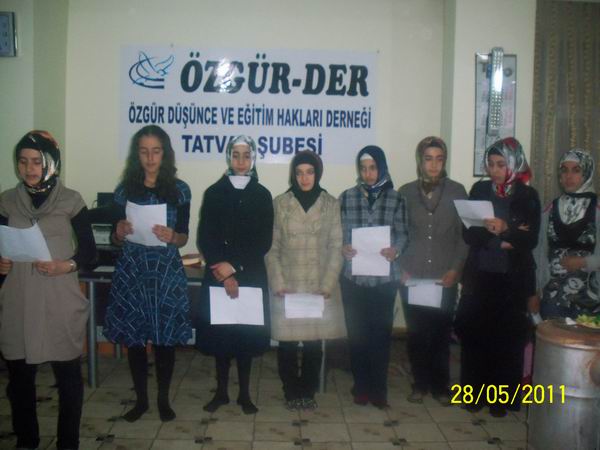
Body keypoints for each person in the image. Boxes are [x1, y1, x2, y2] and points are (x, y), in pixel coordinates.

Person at [0, 131, 96, 450]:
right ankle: (27, 440)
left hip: (59, 299)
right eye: (23, 162)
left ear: (51, 163)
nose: (29, 169)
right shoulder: (6, 201)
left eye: (36, 162)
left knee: (68, 378)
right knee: (19, 379)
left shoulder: (71, 200)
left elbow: (90, 253)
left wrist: (65, 265)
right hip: (19, 299)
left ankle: (68, 443)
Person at [104, 125, 192, 422]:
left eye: (156, 151)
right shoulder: (123, 191)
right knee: (135, 338)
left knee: (165, 338)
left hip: (165, 270)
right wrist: (118, 232)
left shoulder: (180, 190)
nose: (150, 158)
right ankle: (141, 400)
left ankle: (163, 399)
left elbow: (184, 236)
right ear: (136, 154)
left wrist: (173, 236)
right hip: (133, 269)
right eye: (144, 152)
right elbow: (115, 238)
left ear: (165, 154)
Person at [456, 137, 540, 417]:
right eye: (491, 164)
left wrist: (505, 229)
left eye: (501, 165)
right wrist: (503, 239)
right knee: (475, 337)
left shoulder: (528, 195)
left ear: (514, 164)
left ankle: (500, 401)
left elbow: (530, 240)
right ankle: (473, 396)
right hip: (480, 277)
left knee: (506, 342)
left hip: (511, 280)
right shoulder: (479, 189)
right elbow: (469, 233)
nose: (495, 171)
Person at [195, 135, 273, 415]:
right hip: (219, 275)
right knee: (222, 337)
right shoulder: (213, 192)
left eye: (246, 155)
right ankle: (221, 393)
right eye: (236, 155)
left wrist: (235, 267)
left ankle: (244, 395)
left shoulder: (262, 195)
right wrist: (224, 272)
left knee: (245, 336)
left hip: (249, 274)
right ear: (229, 157)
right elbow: (206, 237)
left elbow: (263, 241)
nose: (241, 161)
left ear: (253, 158)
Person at [266, 150, 346, 410]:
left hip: (317, 285)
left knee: (313, 343)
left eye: (310, 172)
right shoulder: (281, 203)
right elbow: (272, 248)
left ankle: (308, 391)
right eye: (299, 173)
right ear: (294, 174)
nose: (304, 178)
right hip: (288, 285)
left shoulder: (331, 204)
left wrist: (327, 284)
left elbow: (336, 247)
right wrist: (278, 283)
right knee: (287, 345)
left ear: (317, 173)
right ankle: (291, 391)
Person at [398, 136, 468, 406]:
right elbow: (398, 233)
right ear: (420, 161)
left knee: (440, 333)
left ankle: (440, 386)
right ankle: (419, 384)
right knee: (417, 334)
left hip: (443, 276)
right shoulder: (405, 192)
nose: (434, 164)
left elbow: (464, 237)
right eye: (428, 158)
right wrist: (400, 268)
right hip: (413, 275)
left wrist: (455, 270)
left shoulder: (457, 192)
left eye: (439, 159)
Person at [339, 145, 407, 408]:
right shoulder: (347, 197)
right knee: (357, 336)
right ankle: (361, 387)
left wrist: (395, 250)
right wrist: (344, 247)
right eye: (363, 168)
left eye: (373, 168)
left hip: (383, 280)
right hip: (353, 279)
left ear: (382, 168)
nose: (368, 174)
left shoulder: (396, 199)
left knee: (379, 336)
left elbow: (404, 235)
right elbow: (339, 233)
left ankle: (378, 390)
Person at [533, 148, 600, 319]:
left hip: (591, 300)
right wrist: (536, 289)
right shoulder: (550, 209)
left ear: (587, 173)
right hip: (553, 298)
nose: (569, 176)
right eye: (564, 170)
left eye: (576, 170)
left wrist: (583, 262)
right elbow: (539, 253)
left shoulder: (597, 210)